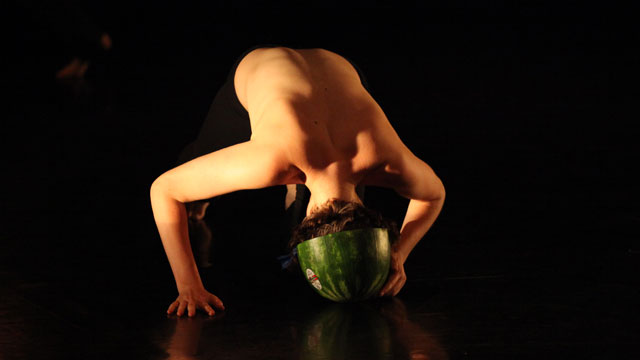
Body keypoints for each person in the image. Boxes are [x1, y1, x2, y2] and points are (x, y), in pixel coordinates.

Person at [150, 46, 445, 317]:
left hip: (338, 65)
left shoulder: (386, 160)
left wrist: (398, 252)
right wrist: (188, 284)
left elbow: (434, 194)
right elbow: (163, 189)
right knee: (199, 160)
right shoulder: (269, 163)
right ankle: (199, 199)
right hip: (261, 67)